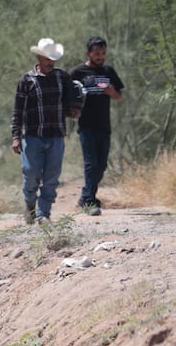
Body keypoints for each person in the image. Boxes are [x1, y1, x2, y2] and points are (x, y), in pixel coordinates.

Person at [11, 37, 82, 225]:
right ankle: (29, 205)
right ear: (39, 58)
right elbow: (17, 110)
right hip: (33, 136)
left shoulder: (62, 77)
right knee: (31, 174)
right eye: (47, 59)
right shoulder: (26, 80)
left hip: (56, 135)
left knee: (51, 177)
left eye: (53, 59)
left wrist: (74, 110)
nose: (51, 63)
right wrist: (16, 137)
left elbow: (69, 102)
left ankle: (44, 214)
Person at [69, 36, 124, 215]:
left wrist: (111, 92)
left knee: (101, 166)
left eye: (103, 53)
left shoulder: (108, 71)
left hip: (104, 126)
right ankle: (90, 203)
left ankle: (85, 195)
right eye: (97, 53)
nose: (101, 57)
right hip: (86, 126)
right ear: (88, 53)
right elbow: (67, 94)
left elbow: (119, 96)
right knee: (91, 164)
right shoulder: (78, 72)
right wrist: (71, 110)